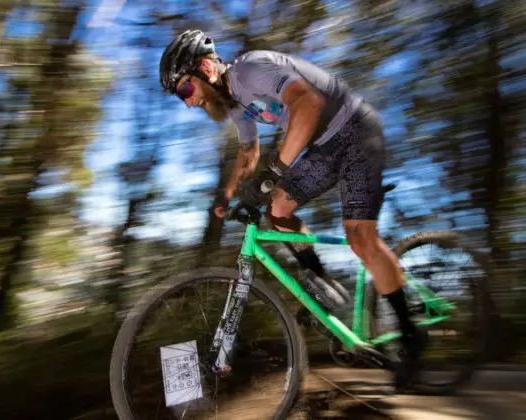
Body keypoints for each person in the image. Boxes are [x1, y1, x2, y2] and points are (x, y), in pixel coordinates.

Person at [159, 29, 426, 390]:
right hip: (324, 147)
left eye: (185, 89)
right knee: (278, 209)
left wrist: (276, 172)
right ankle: (324, 282)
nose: (187, 102)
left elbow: (308, 103)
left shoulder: (251, 70)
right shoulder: (234, 101)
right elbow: (249, 153)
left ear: (206, 68)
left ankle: (411, 337)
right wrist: (228, 195)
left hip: (356, 132)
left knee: (359, 237)